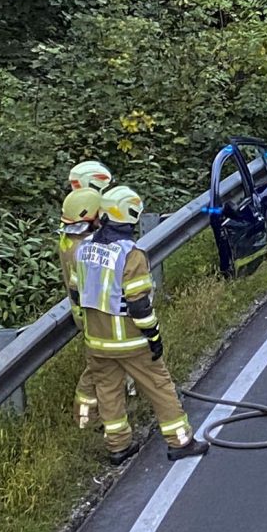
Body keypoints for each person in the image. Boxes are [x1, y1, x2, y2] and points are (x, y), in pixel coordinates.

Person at [76, 188, 207, 458]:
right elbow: (138, 305)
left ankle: (118, 448)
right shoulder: (130, 254)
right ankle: (180, 442)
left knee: (109, 394)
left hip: (97, 343)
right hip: (131, 342)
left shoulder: (85, 248)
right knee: (160, 387)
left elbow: (77, 294)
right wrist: (154, 336)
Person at [58, 187, 108, 431]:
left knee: (103, 366)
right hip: (93, 316)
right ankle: (86, 421)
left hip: (83, 314)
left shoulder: (69, 241)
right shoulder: (85, 250)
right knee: (96, 369)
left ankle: (99, 416)